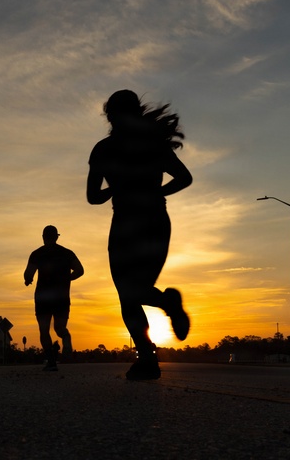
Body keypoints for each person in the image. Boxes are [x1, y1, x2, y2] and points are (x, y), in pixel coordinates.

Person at [86, 89, 192, 380]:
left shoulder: (104, 149)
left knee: (128, 295)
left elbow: (93, 197)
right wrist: (156, 192)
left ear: (110, 116)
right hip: (155, 220)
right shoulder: (153, 144)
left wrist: (115, 189)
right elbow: (184, 178)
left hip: (126, 225)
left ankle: (148, 354)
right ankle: (150, 349)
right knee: (133, 292)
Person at [24, 225, 84, 371]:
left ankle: (51, 362)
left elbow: (28, 274)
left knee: (44, 330)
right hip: (61, 296)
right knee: (60, 328)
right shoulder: (67, 253)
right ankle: (66, 337)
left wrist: (28, 280)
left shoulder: (37, 254)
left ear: (43, 237)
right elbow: (80, 270)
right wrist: (68, 278)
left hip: (43, 297)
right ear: (57, 237)